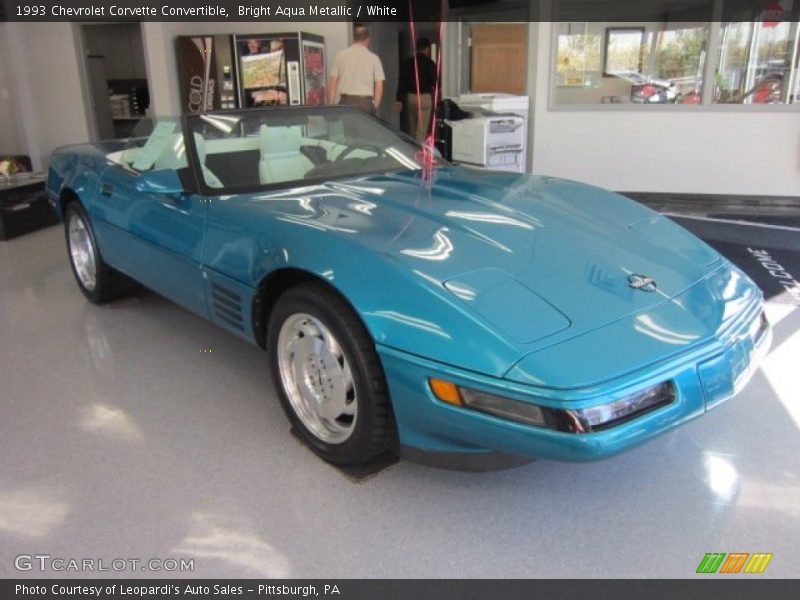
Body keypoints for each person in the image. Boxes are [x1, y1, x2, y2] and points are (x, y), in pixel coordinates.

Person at [328, 23, 385, 114]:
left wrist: (331, 104)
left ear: (353, 39)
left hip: (346, 102)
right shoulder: (374, 58)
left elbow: (333, 82)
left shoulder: (340, 55)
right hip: (365, 103)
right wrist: (375, 106)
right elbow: (379, 85)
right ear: (367, 40)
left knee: (347, 128)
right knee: (365, 128)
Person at [396, 38, 437, 142]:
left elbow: (402, 82)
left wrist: (399, 99)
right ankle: (418, 153)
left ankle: (412, 149)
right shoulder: (430, 63)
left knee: (413, 128)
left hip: (411, 97)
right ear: (427, 49)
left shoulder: (408, 63)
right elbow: (435, 81)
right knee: (421, 130)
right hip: (424, 98)